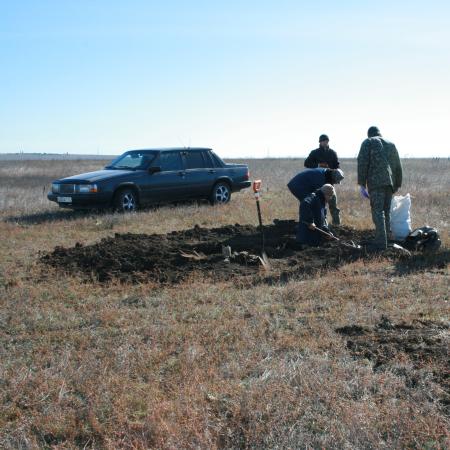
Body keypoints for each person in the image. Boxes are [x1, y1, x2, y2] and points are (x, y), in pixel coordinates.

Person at [357, 126, 403, 250]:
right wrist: (397, 183)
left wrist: (361, 183)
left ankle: (380, 243)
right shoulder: (391, 144)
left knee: (378, 211)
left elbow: (362, 162)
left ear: (369, 134)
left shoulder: (368, 142)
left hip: (375, 184)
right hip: (389, 184)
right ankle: (386, 239)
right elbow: (397, 165)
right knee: (386, 211)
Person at [304, 135, 342, 224]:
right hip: (317, 183)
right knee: (319, 205)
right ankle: (321, 224)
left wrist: (333, 169)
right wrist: (318, 166)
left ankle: (337, 225)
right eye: (323, 141)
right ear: (320, 142)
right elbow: (306, 163)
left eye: (327, 141)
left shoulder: (332, 153)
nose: (325, 142)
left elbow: (337, 166)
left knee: (333, 205)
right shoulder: (314, 153)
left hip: (329, 182)